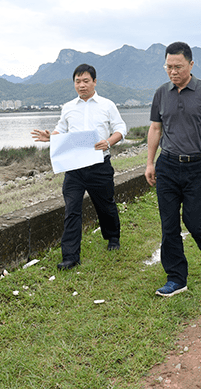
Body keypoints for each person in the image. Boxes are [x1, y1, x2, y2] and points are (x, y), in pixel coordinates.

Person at [145, 42, 201, 297]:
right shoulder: (161, 93)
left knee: (194, 220)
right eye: (168, 67)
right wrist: (149, 162)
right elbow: (155, 129)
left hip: (197, 165)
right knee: (169, 224)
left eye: (178, 67)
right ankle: (176, 278)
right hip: (167, 165)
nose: (173, 72)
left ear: (191, 64)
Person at [31, 64, 127, 269]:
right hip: (74, 168)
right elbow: (61, 130)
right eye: (77, 81)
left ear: (94, 82)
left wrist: (108, 142)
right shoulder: (68, 107)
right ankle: (70, 257)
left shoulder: (107, 105)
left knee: (106, 205)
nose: (81, 85)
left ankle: (113, 238)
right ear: (73, 83)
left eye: (85, 81)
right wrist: (50, 137)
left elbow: (120, 129)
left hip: (100, 164)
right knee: (72, 209)